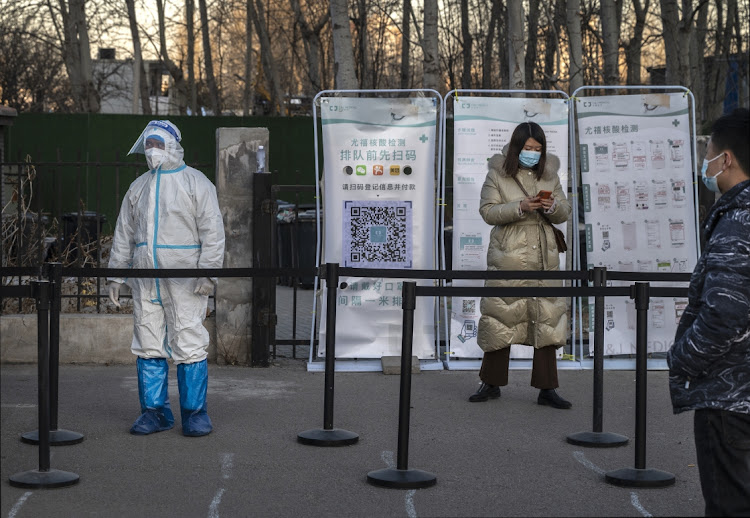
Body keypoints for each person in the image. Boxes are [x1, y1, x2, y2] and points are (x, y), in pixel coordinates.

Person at [108, 120, 225, 437]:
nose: (152, 150)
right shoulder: (139, 187)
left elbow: (213, 233)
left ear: (174, 145)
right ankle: (155, 412)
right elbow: (124, 234)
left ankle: (195, 413)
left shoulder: (196, 183)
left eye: (158, 143)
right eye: (148, 144)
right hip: (146, 280)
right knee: (147, 343)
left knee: (189, 342)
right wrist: (116, 276)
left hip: (185, 280)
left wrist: (208, 273)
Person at [667, 108, 750, 516]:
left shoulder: (737, 222)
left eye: (710, 154)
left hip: (730, 396)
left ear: (727, 159)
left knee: (728, 503)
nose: (706, 164)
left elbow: (724, 316)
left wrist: (682, 359)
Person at [470, 121, 572, 408]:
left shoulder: (550, 174)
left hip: (544, 256)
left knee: (547, 318)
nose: (533, 153)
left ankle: (547, 388)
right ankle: (490, 383)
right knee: (501, 315)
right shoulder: (498, 173)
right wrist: (520, 207)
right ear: (517, 148)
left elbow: (564, 210)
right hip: (509, 255)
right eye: (528, 148)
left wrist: (551, 207)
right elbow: (487, 211)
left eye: (538, 149)